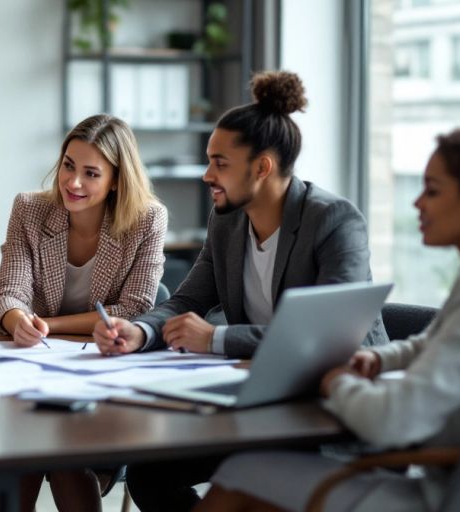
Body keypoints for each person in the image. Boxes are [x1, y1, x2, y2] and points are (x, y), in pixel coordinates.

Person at [195, 127, 460, 512]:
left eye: (432, 191)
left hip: (454, 497)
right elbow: (436, 341)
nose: (417, 203)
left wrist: (338, 383)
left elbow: (393, 419)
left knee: (241, 475)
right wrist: (382, 359)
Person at [94, 71, 389, 512]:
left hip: (330, 412)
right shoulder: (228, 220)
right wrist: (140, 331)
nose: (206, 174)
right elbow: (187, 301)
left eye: (220, 162)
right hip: (261, 402)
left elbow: (328, 343)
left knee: (247, 485)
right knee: (149, 475)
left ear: (263, 167)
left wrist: (214, 339)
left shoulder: (334, 222)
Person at [0, 113, 167, 511]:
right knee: (28, 451)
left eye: (91, 173)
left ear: (117, 179)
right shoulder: (29, 210)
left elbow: (135, 307)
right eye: (69, 166)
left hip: (103, 374)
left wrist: (47, 325)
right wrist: (19, 321)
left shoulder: (147, 220)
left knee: (55, 454)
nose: (73, 183)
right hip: (33, 370)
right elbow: (9, 292)